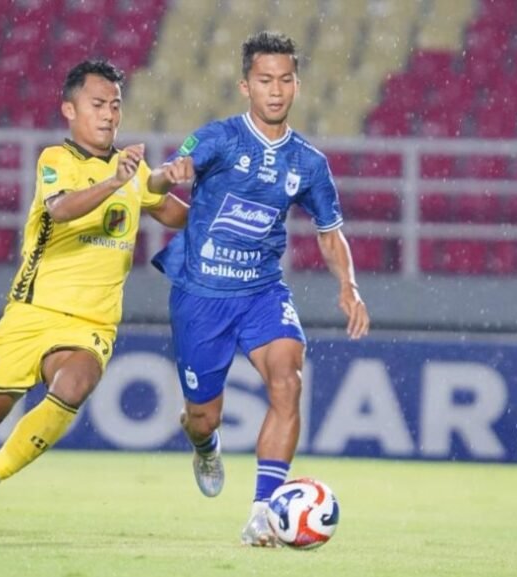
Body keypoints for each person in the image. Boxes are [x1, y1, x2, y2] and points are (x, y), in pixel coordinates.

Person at [0, 59, 191, 530]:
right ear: (69, 109)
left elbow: (169, 212)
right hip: (34, 311)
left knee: (75, 383)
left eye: (115, 105)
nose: (109, 115)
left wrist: (220, 209)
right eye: (97, 105)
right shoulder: (56, 159)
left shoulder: (135, 168)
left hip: (92, 322)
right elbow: (63, 209)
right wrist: (115, 180)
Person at [150, 31, 370, 546]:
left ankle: (263, 512)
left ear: (297, 84)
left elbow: (330, 232)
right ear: (245, 85)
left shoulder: (309, 164)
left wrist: (349, 287)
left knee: (289, 379)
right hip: (201, 295)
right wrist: (170, 175)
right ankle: (205, 446)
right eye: (265, 80)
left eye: (285, 80)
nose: (276, 90)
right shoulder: (216, 139)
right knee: (203, 416)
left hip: (262, 293)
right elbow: (159, 182)